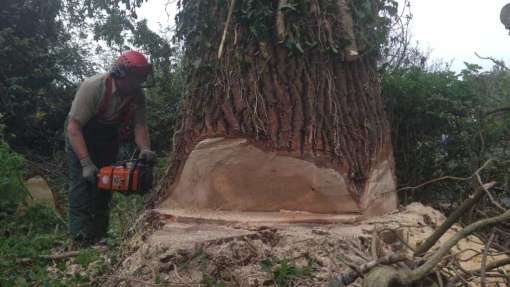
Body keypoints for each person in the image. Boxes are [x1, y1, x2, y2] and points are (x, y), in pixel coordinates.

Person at [65, 50, 156, 247]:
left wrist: (145, 149)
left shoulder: (137, 95)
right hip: (81, 134)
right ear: (120, 74)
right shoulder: (94, 87)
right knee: (81, 185)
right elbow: (73, 128)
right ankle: (80, 238)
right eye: (136, 78)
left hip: (107, 138)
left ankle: (98, 236)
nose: (138, 83)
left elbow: (140, 126)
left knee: (105, 183)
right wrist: (86, 163)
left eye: (141, 79)